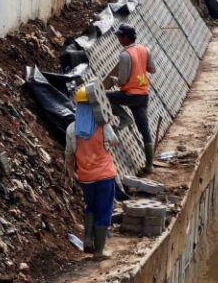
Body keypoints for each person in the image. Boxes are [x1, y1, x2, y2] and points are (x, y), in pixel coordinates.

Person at [65, 84, 118, 260]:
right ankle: (99, 252)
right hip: (105, 176)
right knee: (104, 211)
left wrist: (69, 172)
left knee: (91, 206)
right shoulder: (103, 127)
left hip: (86, 178)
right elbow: (115, 142)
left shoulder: (72, 129)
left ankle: (87, 238)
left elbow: (69, 154)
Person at [106, 24, 157, 174]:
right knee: (144, 130)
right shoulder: (144, 49)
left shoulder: (125, 55)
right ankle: (149, 166)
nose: (118, 39)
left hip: (130, 95)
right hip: (143, 96)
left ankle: (124, 117)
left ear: (126, 37)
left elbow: (122, 81)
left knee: (104, 97)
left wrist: (114, 80)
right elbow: (152, 70)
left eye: (120, 37)